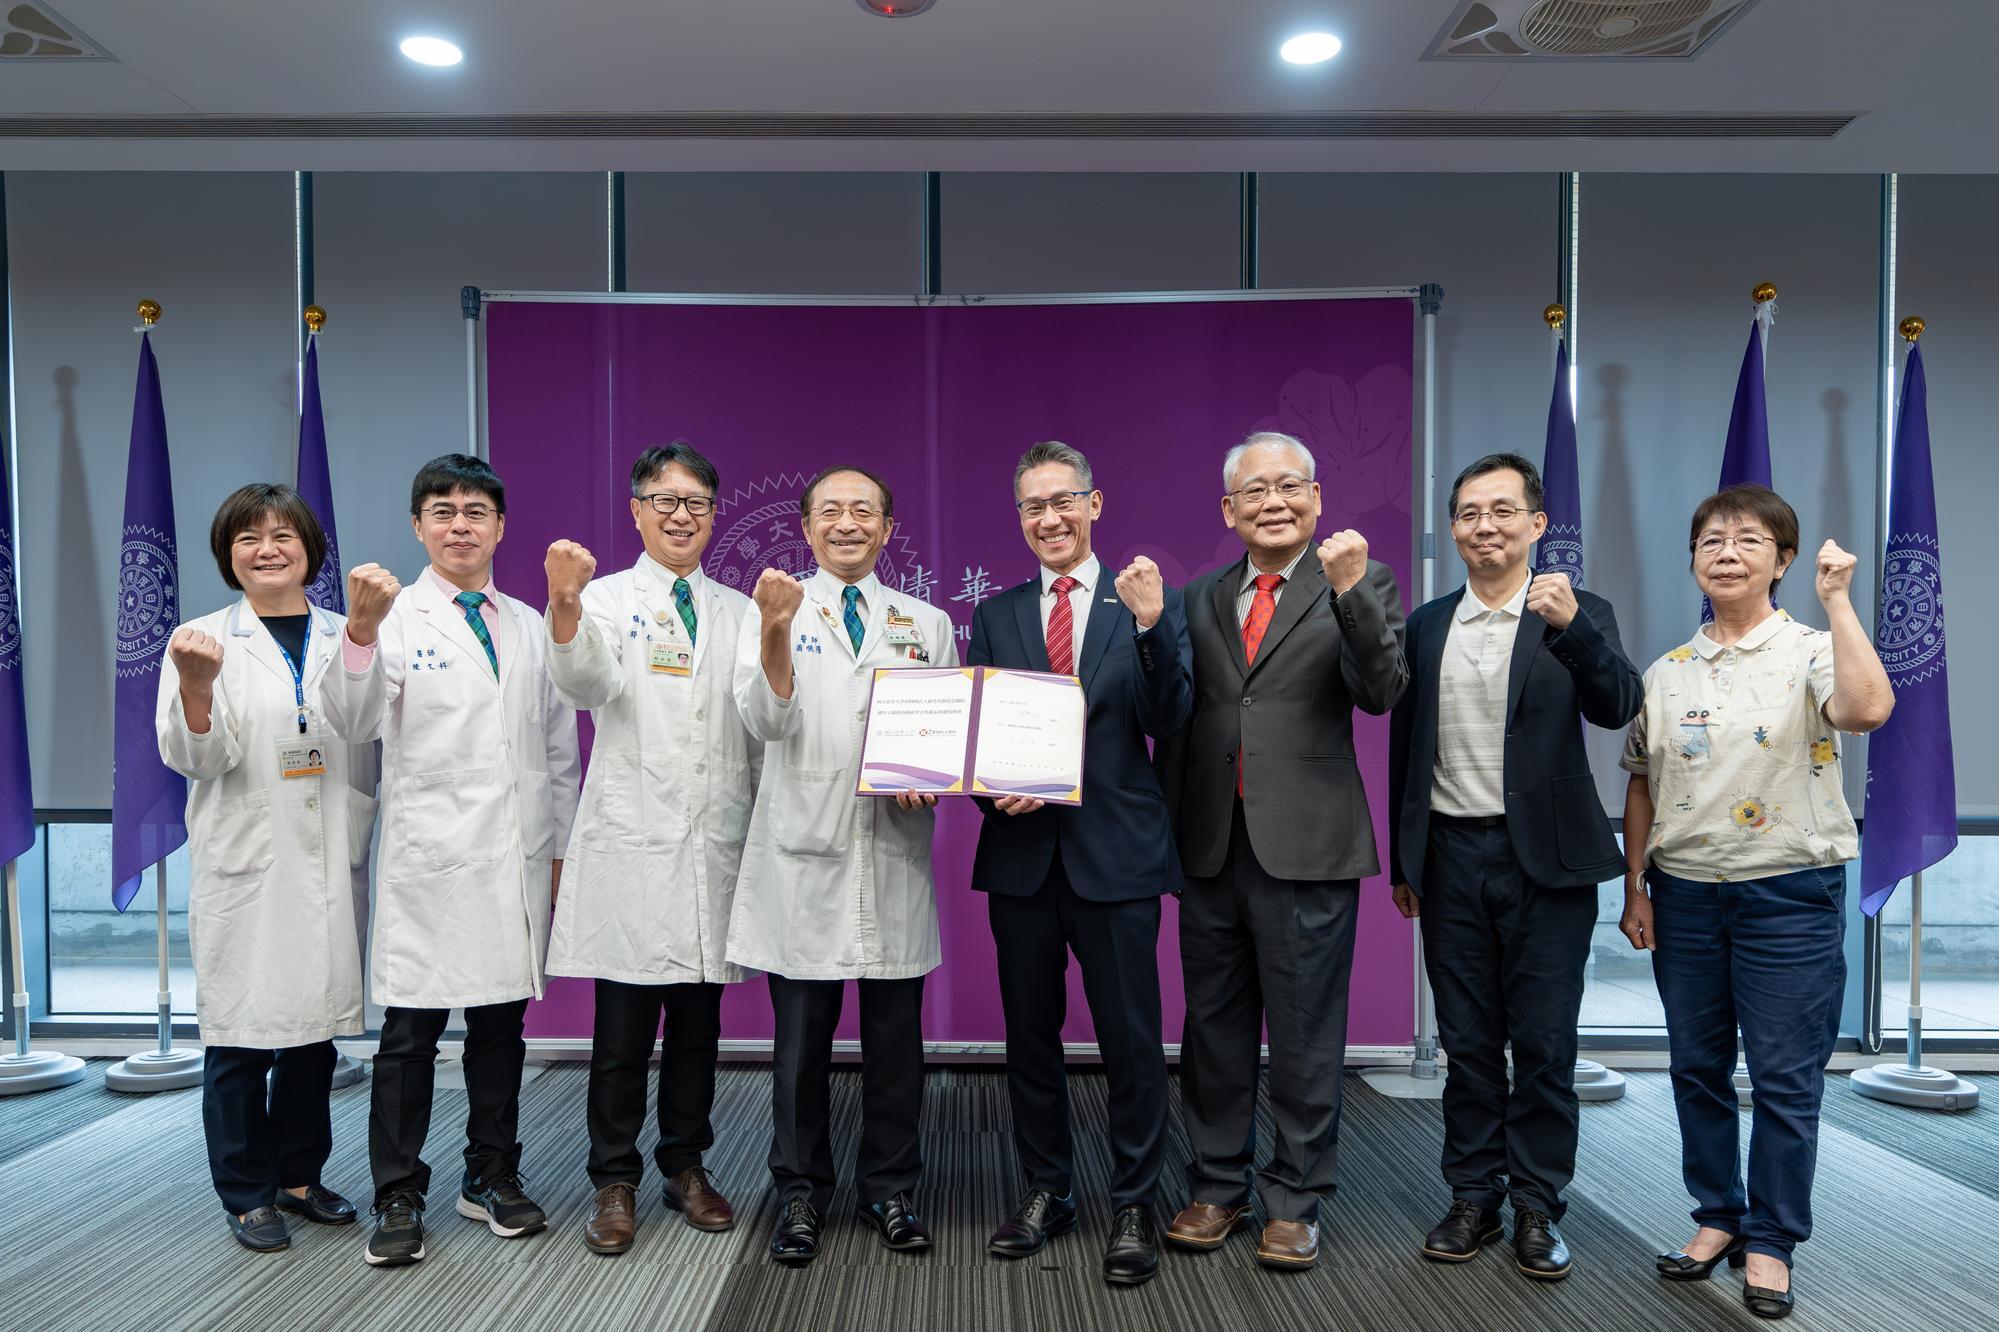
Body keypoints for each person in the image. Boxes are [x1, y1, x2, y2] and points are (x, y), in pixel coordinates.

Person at [1618, 484, 1892, 1322]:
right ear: (1693, 561)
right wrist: (1635, 885)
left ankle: (1770, 1239)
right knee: (1696, 1071)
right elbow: (1640, 782)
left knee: (1782, 1078)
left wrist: (1839, 601)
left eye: (1746, 539)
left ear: (1779, 560)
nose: (1725, 551)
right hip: (1686, 895)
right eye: (1709, 539)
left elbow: (1866, 708)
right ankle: (1715, 1217)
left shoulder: (1811, 649)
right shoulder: (1664, 674)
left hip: (1789, 894)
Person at [320, 453, 580, 1269]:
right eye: (442, 510)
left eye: (475, 511)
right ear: (417, 526)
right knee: (409, 1036)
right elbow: (354, 720)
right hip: (430, 860)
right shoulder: (390, 618)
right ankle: (397, 1192)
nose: (459, 524)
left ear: (500, 526)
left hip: (515, 856)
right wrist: (358, 631)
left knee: (501, 1028)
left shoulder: (531, 623)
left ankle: (492, 1175)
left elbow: (558, 750)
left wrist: (562, 851)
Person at [1155, 431, 1406, 1271]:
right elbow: (1178, 712)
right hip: (1210, 845)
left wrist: (1348, 596)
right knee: (1213, 1030)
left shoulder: (1359, 582)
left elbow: (1379, 693)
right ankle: (1217, 1186)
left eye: (1288, 486)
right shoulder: (1197, 596)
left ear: (1316, 498)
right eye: (1253, 491)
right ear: (1228, 511)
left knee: (1304, 1034)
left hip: (1308, 848)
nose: (1273, 501)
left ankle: (1295, 1199)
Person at [1388, 452, 1641, 1281]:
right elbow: (1404, 748)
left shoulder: (1572, 609)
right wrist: (1406, 858)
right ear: (1452, 528)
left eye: (1501, 511)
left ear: (1535, 525)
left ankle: (1537, 1206)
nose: (1483, 526)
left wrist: (1575, 629)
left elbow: (1617, 707)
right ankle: (1471, 1196)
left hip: (1547, 865)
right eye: (1468, 512)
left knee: (1541, 1046)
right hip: (1452, 856)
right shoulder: (1427, 624)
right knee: (1466, 1043)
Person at [966, 441, 1193, 1286]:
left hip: (1117, 856)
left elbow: (1169, 716)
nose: (1048, 518)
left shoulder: (1142, 599)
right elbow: (978, 729)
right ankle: (1047, 1189)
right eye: (1031, 506)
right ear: (1019, 517)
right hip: (1022, 858)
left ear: (1094, 505)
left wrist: (1146, 625)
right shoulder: (997, 612)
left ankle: (1134, 1199)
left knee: (1132, 1041)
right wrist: (994, 792)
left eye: (1063, 501)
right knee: (1029, 1038)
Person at [728, 464, 957, 1266]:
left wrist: (931, 782)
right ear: (806, 525)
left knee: (897, 1045)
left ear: (888, 529)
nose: (848, 523)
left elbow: (944, 731)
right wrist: (772, 633)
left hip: (892, 853)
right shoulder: (774, 607)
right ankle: (797, 1193)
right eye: (832, 511)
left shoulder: (925, 621)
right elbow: (763, 720)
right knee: (801, 1046)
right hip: (802, 856)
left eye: (864, 511)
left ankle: (891, 1188)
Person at [541, 442, 758, 1254]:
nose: (680, 515)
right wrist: (562, 605)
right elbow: (584, 684)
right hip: (633, 847)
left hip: (712, 844)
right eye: (663, 500)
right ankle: (613, 1180)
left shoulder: (739, 610)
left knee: (699, 1028)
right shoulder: (600, 599)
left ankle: (686, 1165)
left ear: (712, 514)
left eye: (696, 502)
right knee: (623, 1033)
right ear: (636, 510)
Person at [156, 483, 377, 1253]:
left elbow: (365, 722)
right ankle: (246, 1192)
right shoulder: (199, 638)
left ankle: (298, 1176)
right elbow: (196, 758)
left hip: (321, 859)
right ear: (228, 555)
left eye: (283, 534)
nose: (267, 548)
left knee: (313, 1038)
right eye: (248, 538)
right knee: (242, 1039)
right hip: (247, 862)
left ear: (310, 549)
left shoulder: (344, 634)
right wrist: (194, 686)